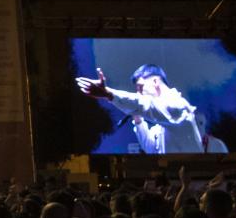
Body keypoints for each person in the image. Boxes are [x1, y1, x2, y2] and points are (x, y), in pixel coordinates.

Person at [75, 64, 203, 154]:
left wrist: (109, 93)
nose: (139, 93)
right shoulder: (160, 124)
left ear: (155, 81)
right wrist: (137, 118)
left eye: (141, 87)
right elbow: (150, 149)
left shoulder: (177, 105)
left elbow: (144, 104)